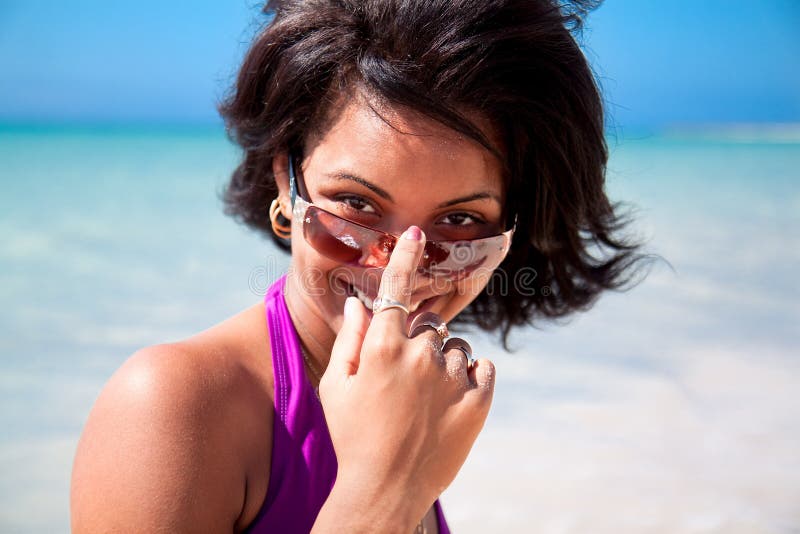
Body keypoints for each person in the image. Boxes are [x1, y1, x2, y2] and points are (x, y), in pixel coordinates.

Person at [71, 0, 644, 532]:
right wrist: (383, 490)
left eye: (461, 220)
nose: (402, 267)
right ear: (285, 181)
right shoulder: (172, 409)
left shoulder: (413, 400)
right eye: (358, 204)